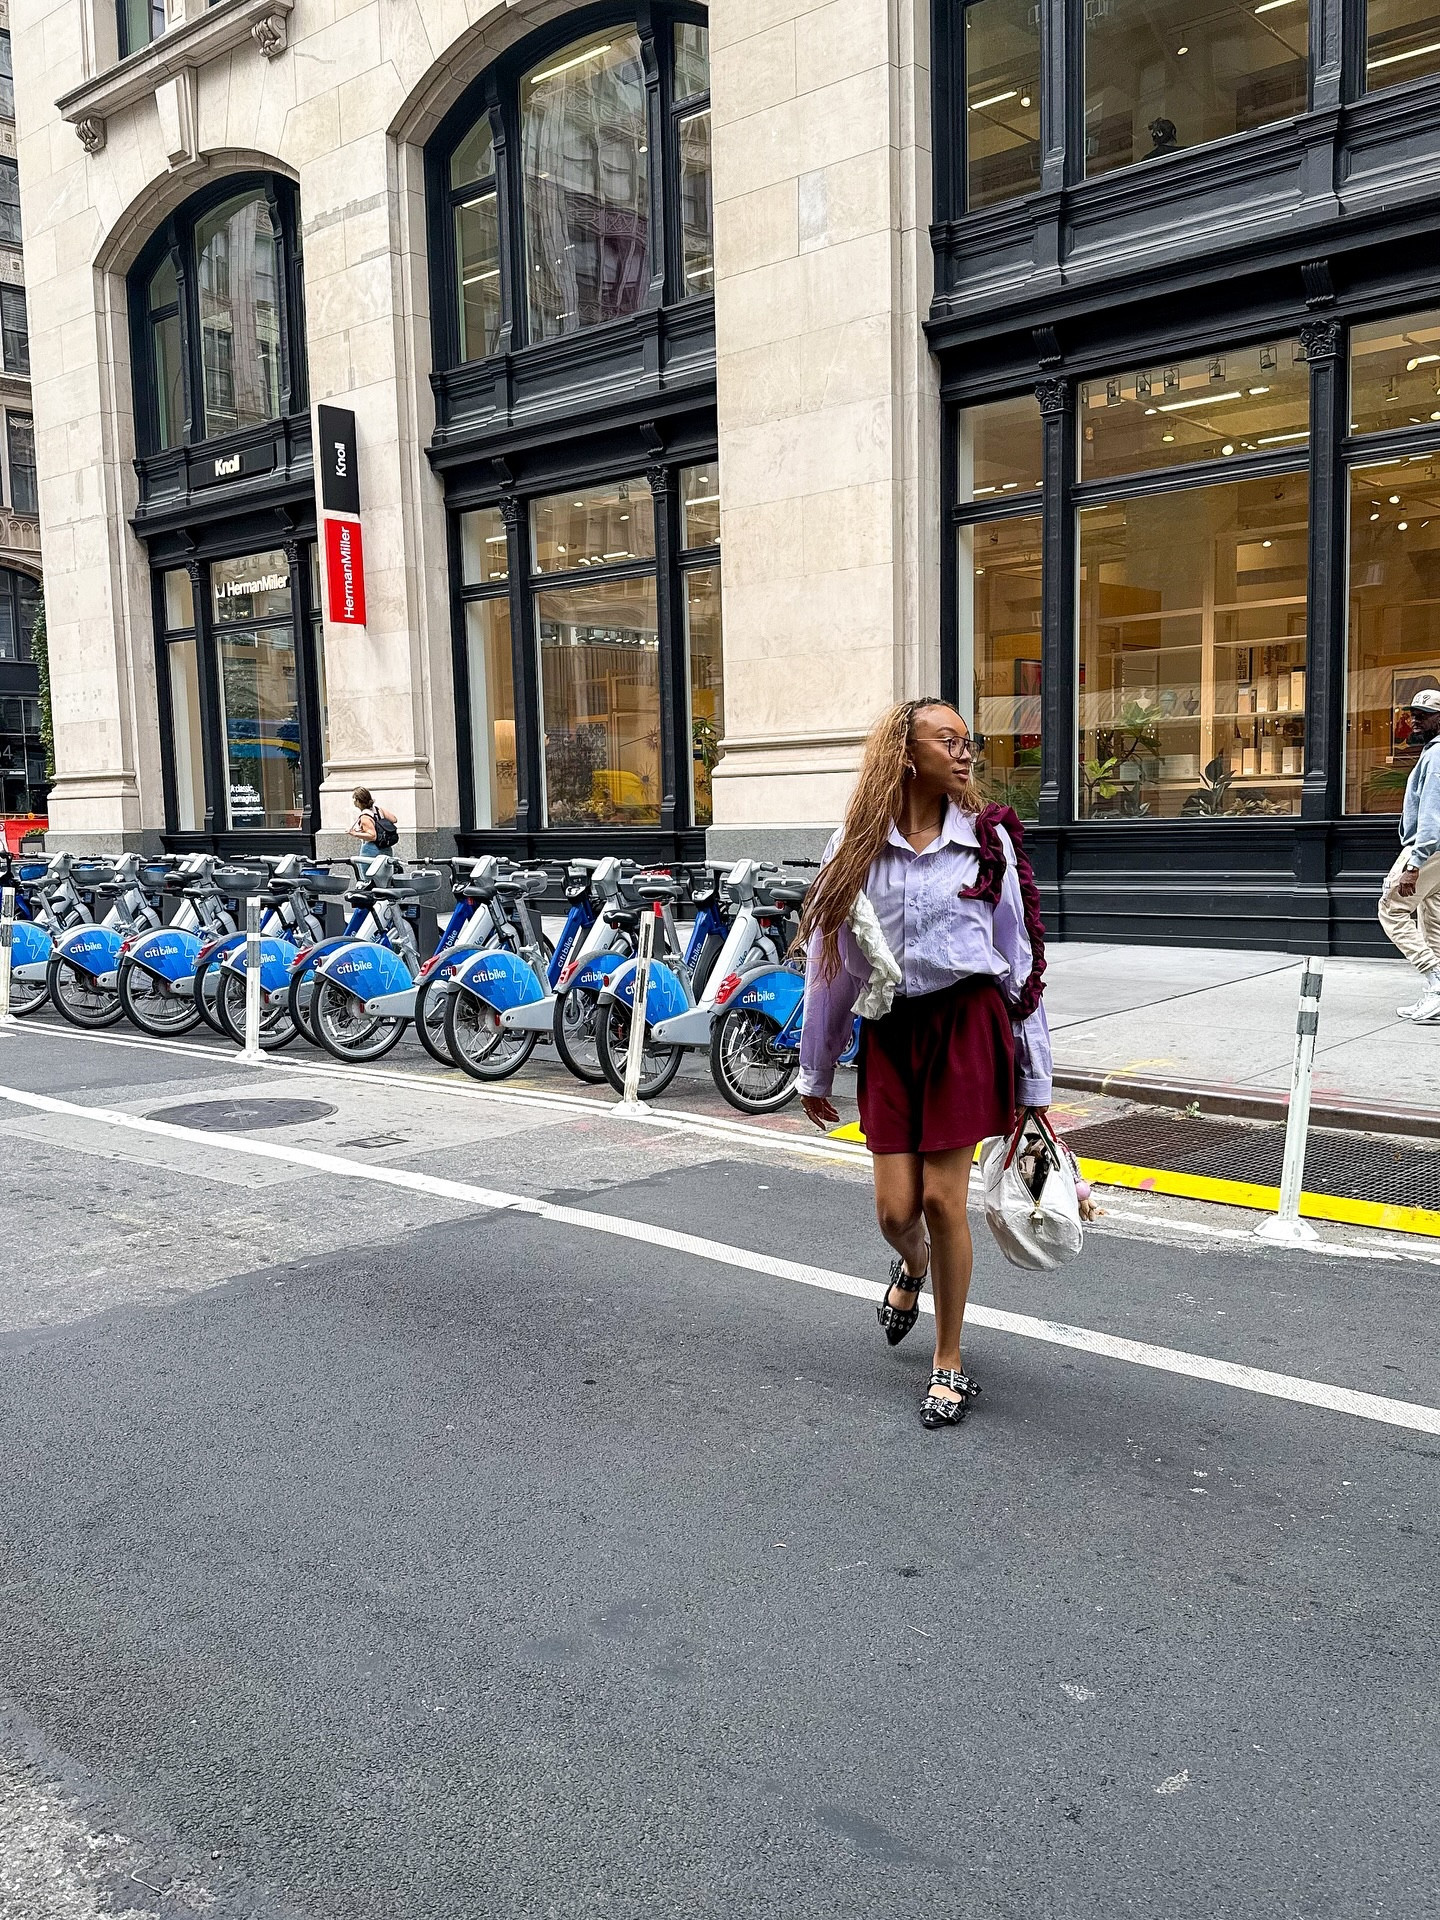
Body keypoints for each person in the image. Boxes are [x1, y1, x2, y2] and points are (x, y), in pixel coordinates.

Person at [797, 698, 1053, 1431]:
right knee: (895, 1212)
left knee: (944, 1201)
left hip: (966, 1027)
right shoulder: (853, 846)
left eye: (969, 742)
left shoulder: (986, 843)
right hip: (891, 1030)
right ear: (905, 754)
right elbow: (830, 967)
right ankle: (912, 1266)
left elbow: (1019, 962)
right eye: (950, 741)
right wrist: (816, 1070)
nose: (966, 753)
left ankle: (949, 1362)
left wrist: (1034, 1079)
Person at [1381, 688, 1440, 1022]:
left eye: (1423, 715)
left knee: (1391, 909)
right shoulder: (1433, 751)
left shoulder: (1436, 755)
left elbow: (1432, 812)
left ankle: (1436, 981)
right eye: (1413, 714)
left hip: (1429, 849)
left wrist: (1414, 864)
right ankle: (1435, 997)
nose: (1415, 720)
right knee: (1433, 921)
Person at [347, 786, 397, 862]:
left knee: (367, 870)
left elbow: (372, 836)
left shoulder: (365, 816)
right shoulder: (379, 809)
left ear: (358, 801)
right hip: (386, 847)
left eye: (354, 799)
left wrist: (354, 833)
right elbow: (394, 819)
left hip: (371, 849)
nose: (353, 802)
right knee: (386, 869)